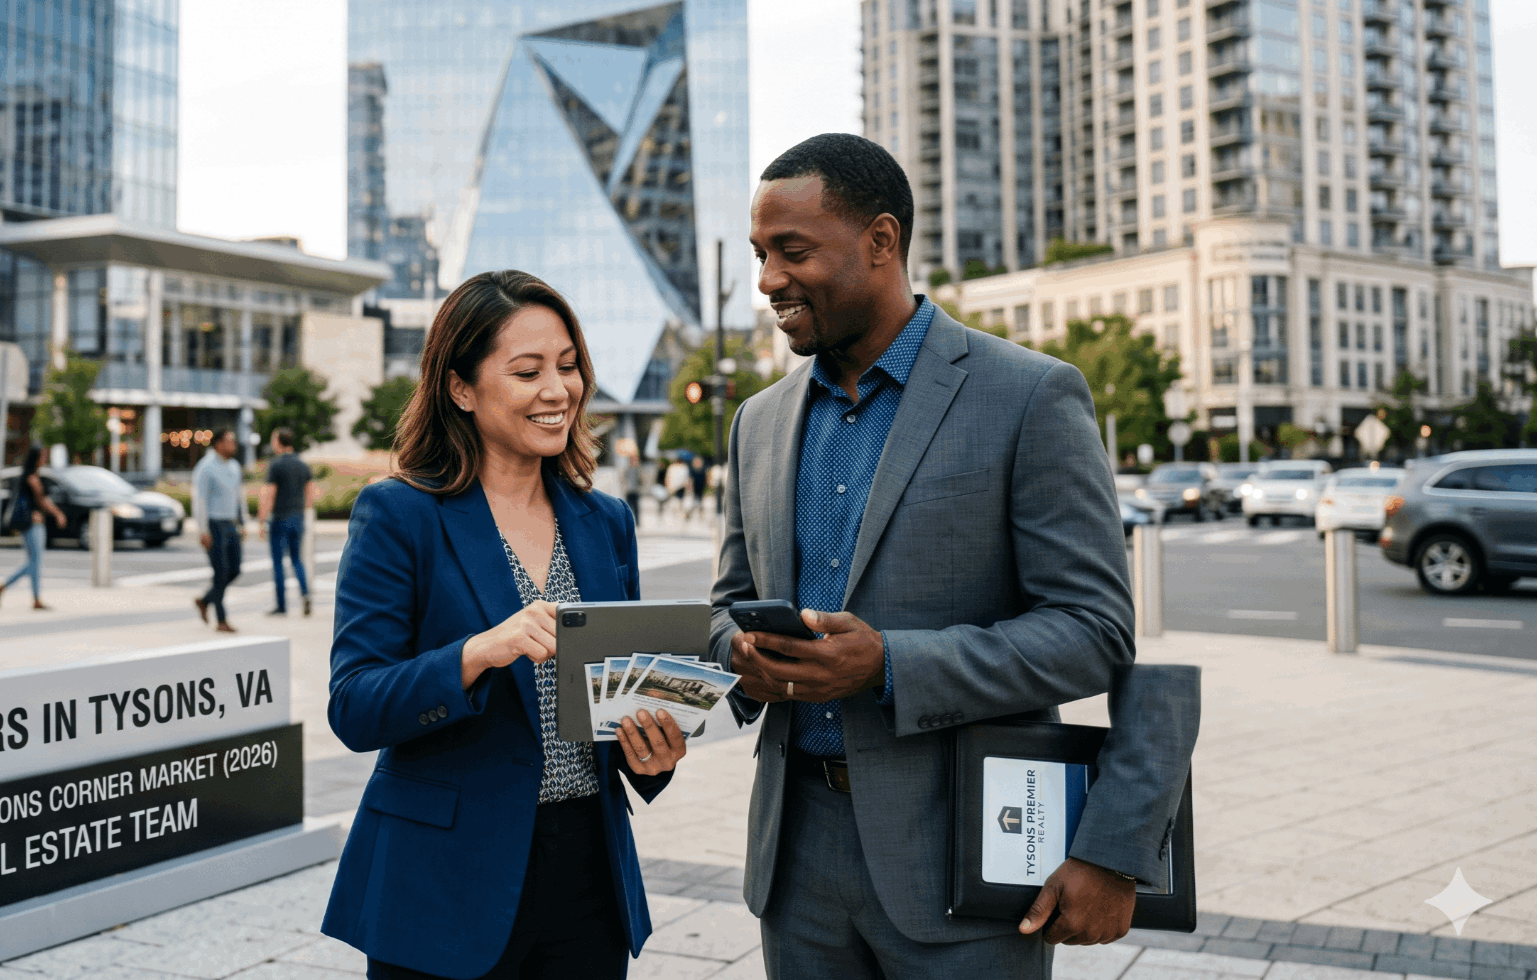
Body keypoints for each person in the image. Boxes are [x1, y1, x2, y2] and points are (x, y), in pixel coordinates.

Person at [707, 134, 1140, 977]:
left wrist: (888, 667)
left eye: (793, 251)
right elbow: (724, 607)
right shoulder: (756, 422)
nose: (767, 281)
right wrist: (742, 655)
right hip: (795, 865)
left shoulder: (1031, 395)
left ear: (882, 241)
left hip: (962, 858)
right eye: (760, 255)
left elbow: (1093, 632)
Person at [324, 270, 691, 980]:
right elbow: (354, 705)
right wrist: (475, 653)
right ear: (460, 388)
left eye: (568, 365)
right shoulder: (400, 516)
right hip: (443, 879)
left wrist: (654, 751)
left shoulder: (606, 520)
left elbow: (619, 703)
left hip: (586, 874)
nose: (558, 390)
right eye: (527, 372)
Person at [0, 446, 66, 610]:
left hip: (32, 523)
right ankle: (5, 587)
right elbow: (41, 500)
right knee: (34, 563)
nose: (45, 459)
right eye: (43, 456)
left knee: (34, 562)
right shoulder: (31, 477)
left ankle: (34, 598)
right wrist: (58, 514)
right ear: (36, 458)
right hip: (32, 523)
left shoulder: (29, 475)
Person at [259, 427, 318, 616]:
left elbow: (269, 494)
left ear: (278, 442)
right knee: (296, 560)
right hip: (298, 517)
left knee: (278, 563)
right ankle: (305, 594)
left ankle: (281, 605)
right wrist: (304, 510)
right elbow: (310, 493)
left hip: (280, 517)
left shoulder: (276, 466)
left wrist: (261, 520)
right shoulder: (302, 465)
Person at [192, 429, 244, 633]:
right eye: (229, 441)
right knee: (220, 573)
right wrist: (203, 530)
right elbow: (200, 501)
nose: (233, 445)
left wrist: (242, 522)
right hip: (214, 524)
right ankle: (221, 620)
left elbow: (239, 496)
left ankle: (205, 600)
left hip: (231, 524)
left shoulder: (234, 466)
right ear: (218, 444)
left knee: (235, 570)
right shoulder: (205, 467)